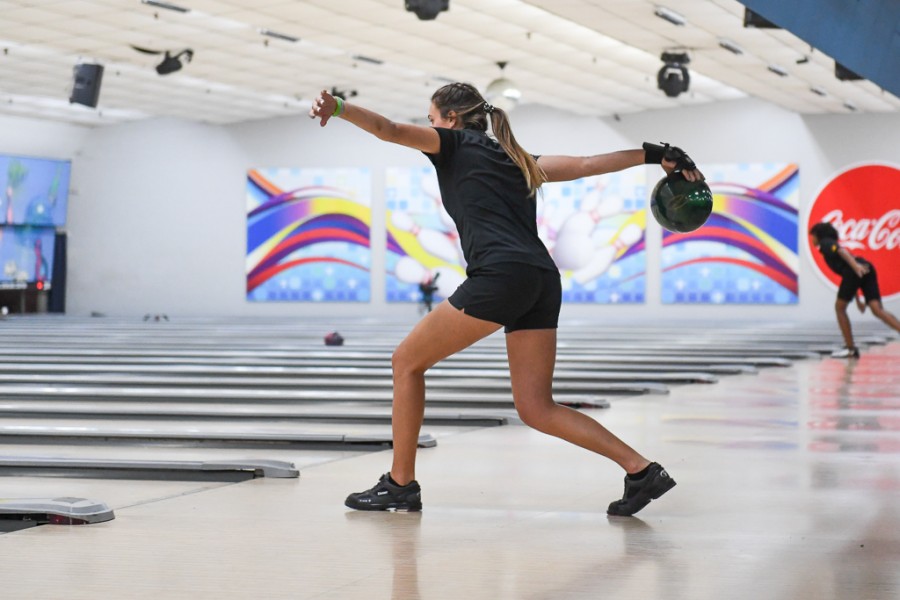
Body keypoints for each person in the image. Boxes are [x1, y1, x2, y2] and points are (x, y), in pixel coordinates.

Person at [309, 83, 703, 517]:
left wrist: (341, 106)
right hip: (540, 278)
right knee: (536, 407)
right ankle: (640, 470)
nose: (429, 125)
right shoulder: (517, 159)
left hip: (500, 275)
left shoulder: (452, 144)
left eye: (432, 118)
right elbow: (588, 164)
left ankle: (401, 484)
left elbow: (387, 129)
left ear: (452, 120)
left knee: (406, 363)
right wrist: (653, 155)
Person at [809, 222, 900, 358]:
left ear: (818, 235)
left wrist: (856, 267)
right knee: (877, 310)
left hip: (856, 269)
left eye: (812, 236)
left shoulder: (825, 243)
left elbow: (842, 251)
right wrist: (858, 298)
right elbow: (851, 277)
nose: (812, 239)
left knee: (839, 308)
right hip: (866, 268)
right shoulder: (827, 244)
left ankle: (850, 349)